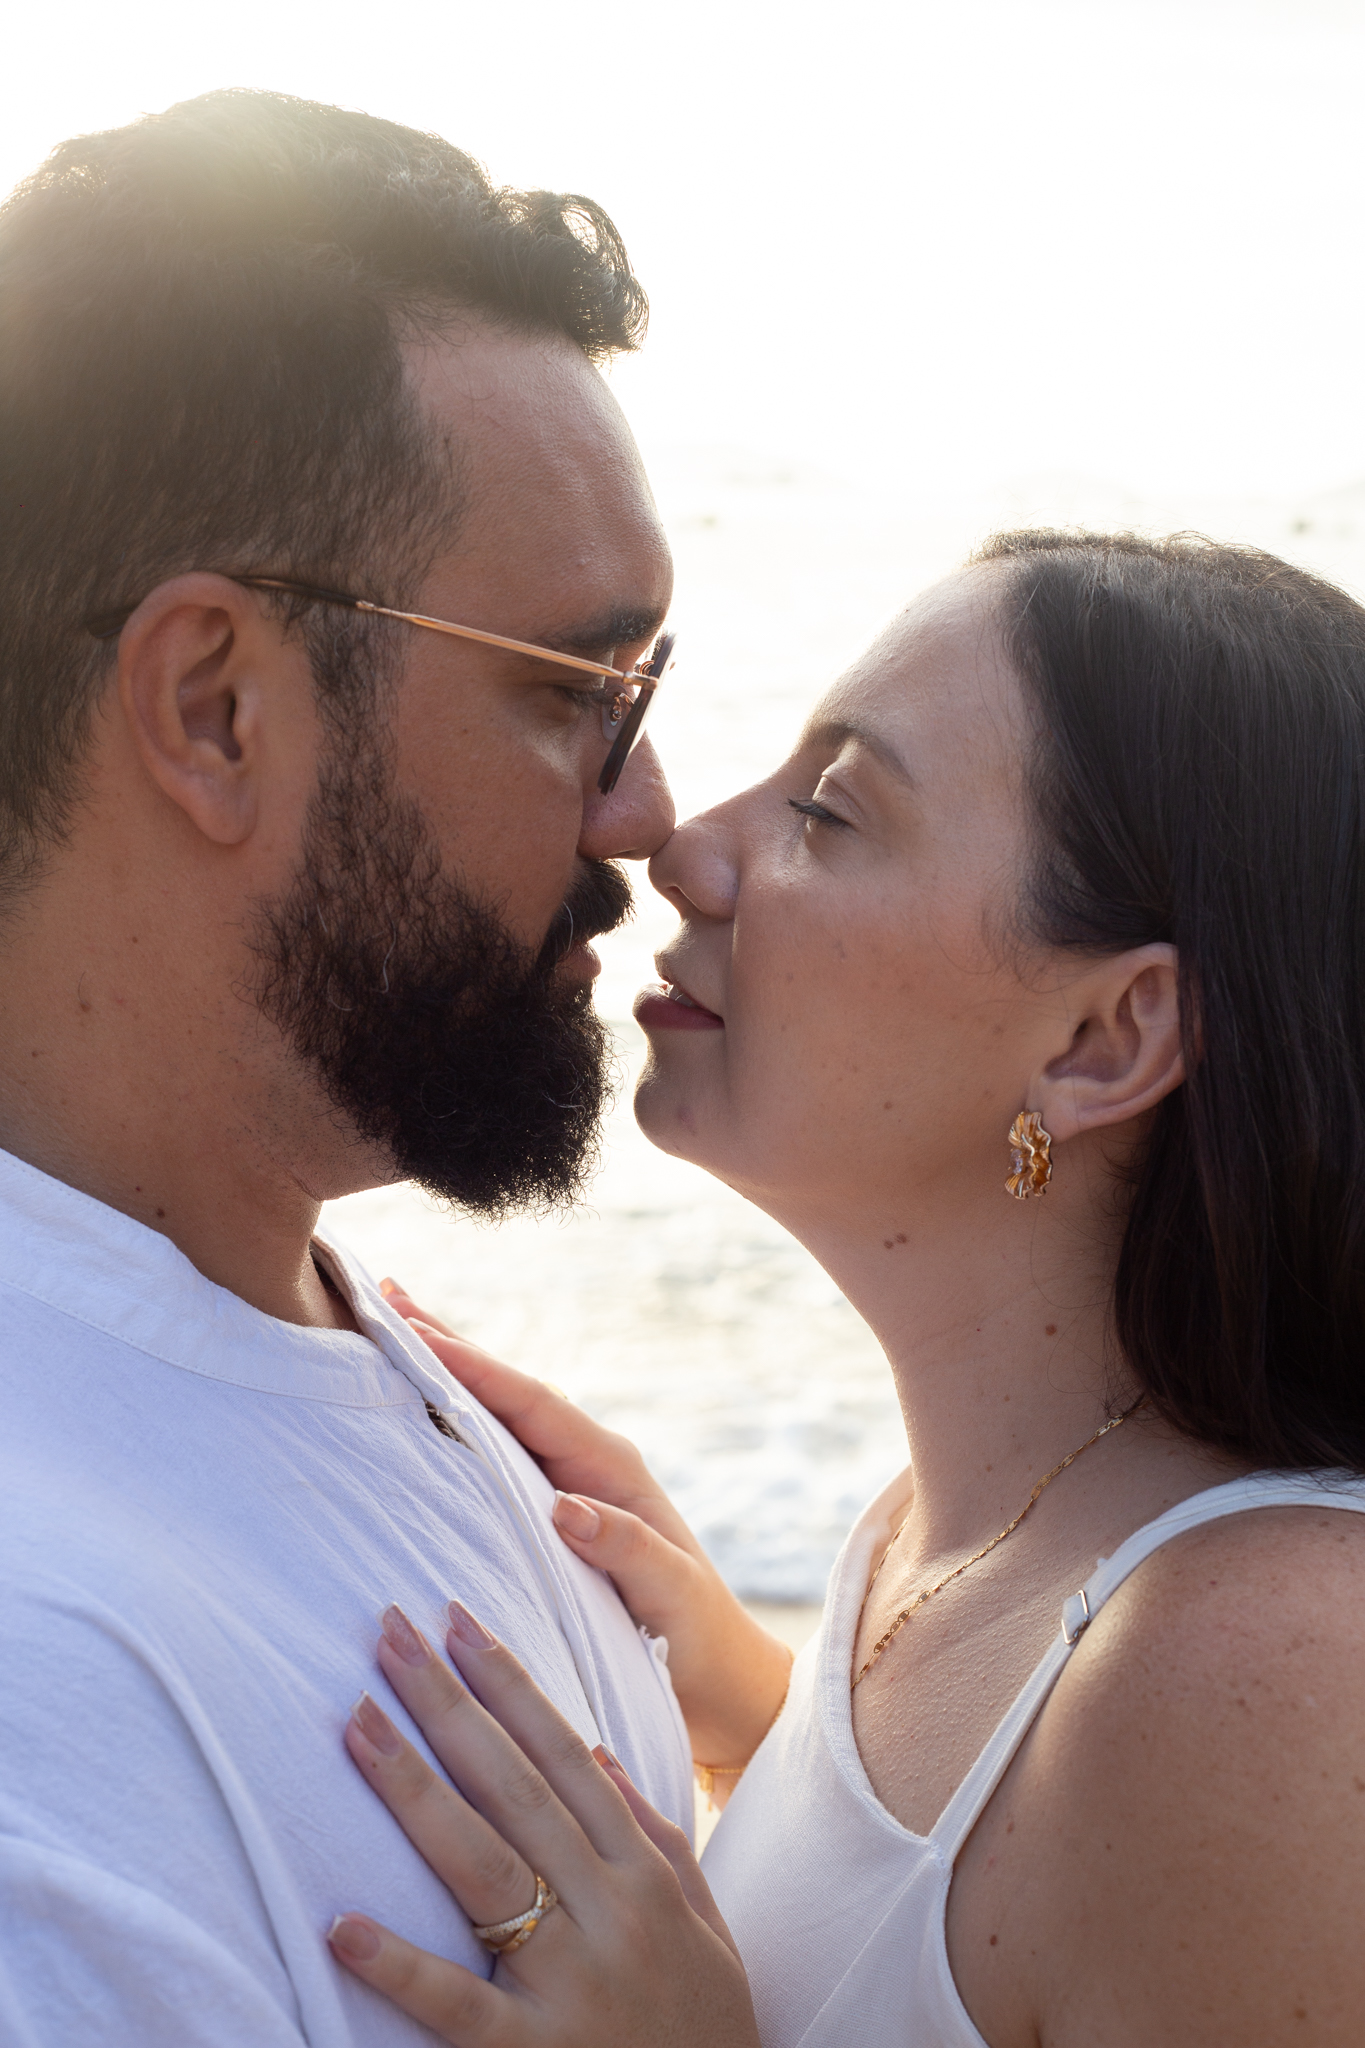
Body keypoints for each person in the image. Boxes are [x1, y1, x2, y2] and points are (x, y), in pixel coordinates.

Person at [337, 532, 1365, 2048]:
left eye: (828, 811)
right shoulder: (953, 1527)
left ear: (1102, 1041)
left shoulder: (1266, 1676)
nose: (686, 850)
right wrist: (771, 1729)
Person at [0, 88, 760, 2047]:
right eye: (575, 691)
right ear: (213, 709)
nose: (647, 815)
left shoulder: (376, 1371)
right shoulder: (39, 1674)